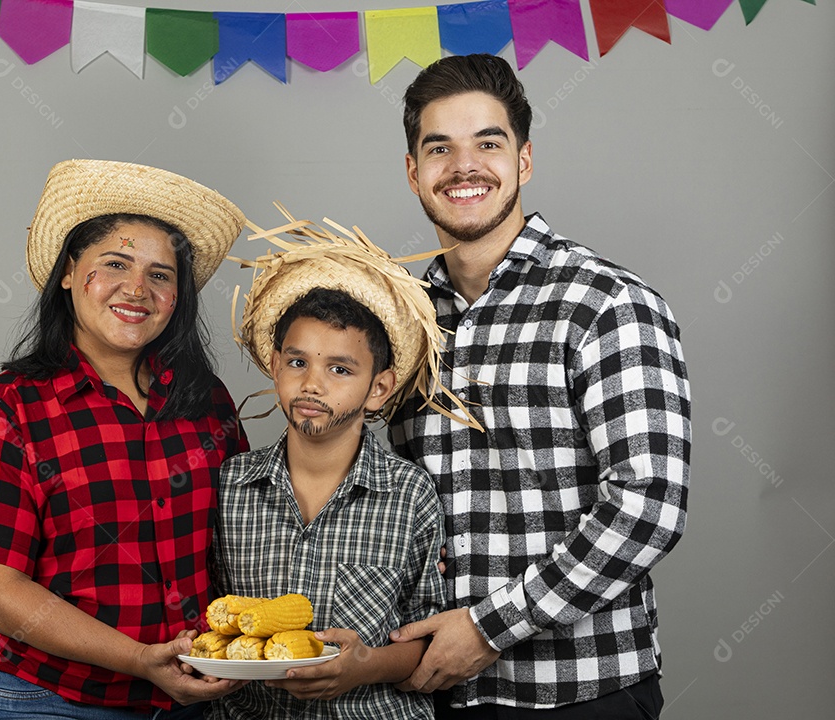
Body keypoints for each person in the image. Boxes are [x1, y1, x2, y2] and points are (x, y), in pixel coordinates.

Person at [387, 54, 691, 719]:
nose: (464, 166)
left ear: (523, 160)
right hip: (426, 691)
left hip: (579, 691)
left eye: (487, 144)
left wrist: (491, 628)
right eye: (440, 149)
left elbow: (648, 505)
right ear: (414, 172)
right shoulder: (398, 320)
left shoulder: (607, 303)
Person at [0, 159, 251, 720]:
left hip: (195, 699)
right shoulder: (8, 408)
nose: (137, 289)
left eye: (160, 274)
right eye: (115, 263)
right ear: (69, 272)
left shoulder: (208, 402)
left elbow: (245, 543)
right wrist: (139, 658)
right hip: (49, 700)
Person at [208, 214, 481, 720]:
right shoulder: (230, 486)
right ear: (275, 365)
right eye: (297, 362)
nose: (312, 384)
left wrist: (364, 665)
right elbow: (213, 621)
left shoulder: (409, 493)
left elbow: (426, 638)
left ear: (378, 387)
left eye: (340, 369)